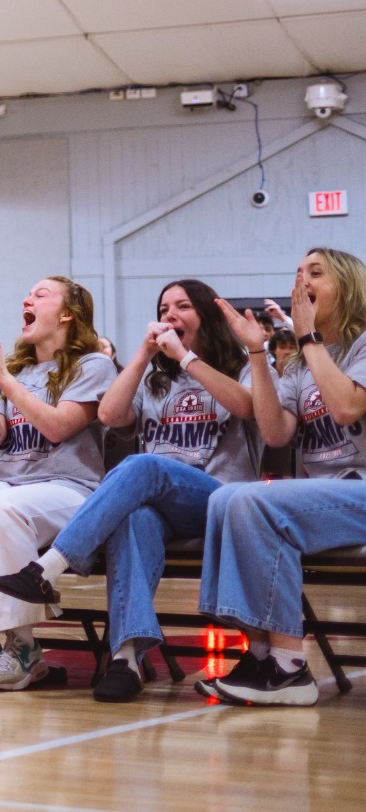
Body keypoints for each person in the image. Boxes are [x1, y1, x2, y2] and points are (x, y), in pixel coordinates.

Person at [0, 279, 257, 701]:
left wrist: (186, 358)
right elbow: (111, 415)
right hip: (162, 506)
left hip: (222, 500)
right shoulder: (155, 379)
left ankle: (50, 567)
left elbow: (247, 406)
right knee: (133, 518)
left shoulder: (240, 365)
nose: (170, 314)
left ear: (205, 316)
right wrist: (144, 355)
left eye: (182, 306)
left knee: (144, 465)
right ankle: (126, 658)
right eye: (164, 306)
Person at [198, 247, 366, 706]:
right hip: (328, 498)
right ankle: (264, 652)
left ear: (348, 287)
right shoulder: (298, 364)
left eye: (316, 272)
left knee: (253, 501)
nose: (301, 280)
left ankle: (288, 667)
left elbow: (347, 407)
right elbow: (274, 433)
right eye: (296, 272)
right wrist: (257, 351)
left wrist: (307, 337)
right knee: (227, 498)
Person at [0, 276, 116, 690]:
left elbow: (56, 427)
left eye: (40, 294)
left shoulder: (93, 366)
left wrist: (1, 379)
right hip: (9, 484)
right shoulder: (16, 369)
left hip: (68, 489)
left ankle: (23, 647)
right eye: (28, 294)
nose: (26, 299)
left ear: (68, 314)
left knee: (2, 509)